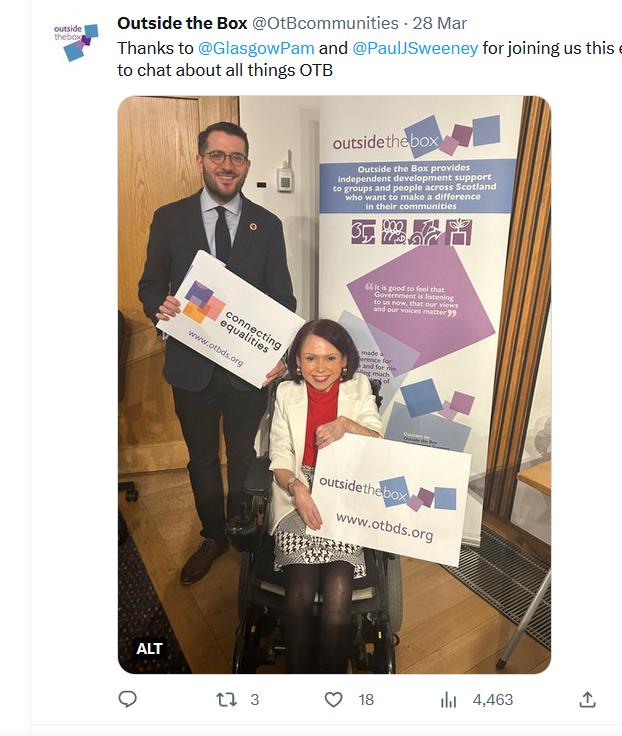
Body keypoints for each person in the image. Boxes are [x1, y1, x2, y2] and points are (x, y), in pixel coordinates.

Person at [138, 121, 296, 585]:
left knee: (244, 457)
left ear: (247, 165)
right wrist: (157, 307)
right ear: (200, 160)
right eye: (217, 156)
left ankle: (242, 530)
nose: (227, 166)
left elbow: (281, 298)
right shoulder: (169, 218)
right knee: (202, 459)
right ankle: (213, 536)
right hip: (191, 370)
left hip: (248, 372)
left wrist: (277, 352)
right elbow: (151, 284)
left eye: (237, 158)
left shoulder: (267, 225)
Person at [268, 319, 384, 673]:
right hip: (297, 487)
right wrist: (297, 488)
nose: (321, 369)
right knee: (300, 593)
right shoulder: (286, 393)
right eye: (311, 359)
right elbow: (279, 456)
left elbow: (377, 441)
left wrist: (347, 425)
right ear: (298, 363)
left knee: (338, 587)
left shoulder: (359, 387)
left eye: (330, 358)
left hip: (345, 489)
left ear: (345, 360)